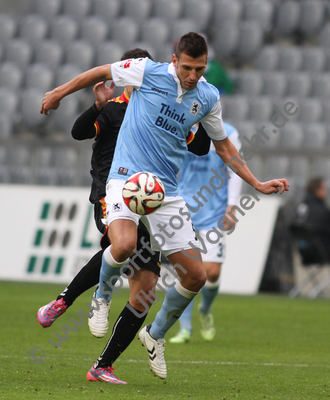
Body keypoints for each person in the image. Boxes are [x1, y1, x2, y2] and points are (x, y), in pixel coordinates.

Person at [40, 32, 289, 380]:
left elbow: (225, 149)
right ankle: (101, 295)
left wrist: (257, 183)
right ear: (175, 60)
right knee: (124, 244)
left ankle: (154, 334)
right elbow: (98, 71)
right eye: (187, 67)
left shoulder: (207, 96)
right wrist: (57, 94)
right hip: (125, 178)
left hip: (165, 193)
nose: (192, 75)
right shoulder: (147, 71)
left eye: (199, 69)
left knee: (196, 276)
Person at [37, 47, 212, 384]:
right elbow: (78, 132)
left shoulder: (165, 112)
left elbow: (200, 146)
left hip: (153, 204)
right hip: (111, 195)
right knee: (124, 245)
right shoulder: (116, 110)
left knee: (145, 289)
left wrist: (200, 112)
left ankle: (102, 365)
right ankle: (66, 300)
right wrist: (97, 106)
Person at [170, 122, 242, 344]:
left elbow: (235, 167)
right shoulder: (181, 125)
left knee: (211, 273)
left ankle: (205, 309)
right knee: (187, 272)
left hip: (214, 212)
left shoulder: (228, 132)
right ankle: (184, 329)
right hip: (184, 209)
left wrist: (232, 205)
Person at [294, 177, 330, 262]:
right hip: (322, 253)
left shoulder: (302, 207)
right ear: (317, 191)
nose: (326, 191)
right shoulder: (320, 210)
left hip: (304, 253)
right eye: (324, 188)